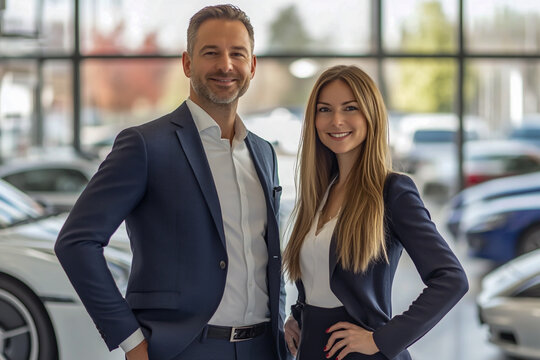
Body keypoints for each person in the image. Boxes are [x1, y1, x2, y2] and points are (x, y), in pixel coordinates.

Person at [55, 5, 287, 360]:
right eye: (211, 53)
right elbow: (77, 242)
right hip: (183, 349)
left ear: (252, 66)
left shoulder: (264, 153)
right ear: (187, 63)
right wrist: (131, 341)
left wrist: (282, 330)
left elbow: (267, 255)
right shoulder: (145, 145)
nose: (225, 65)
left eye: (237, 54)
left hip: (264, 349)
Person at [282, 65, 468, 360]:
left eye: (350, 108)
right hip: (312, 350)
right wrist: (298, 316)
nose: (336, 120)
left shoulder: (392, 191)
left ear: (371, 115)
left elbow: (451, 279)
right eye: (325, 109)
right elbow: (319, 273)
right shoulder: (319, 190)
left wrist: (384, 339)